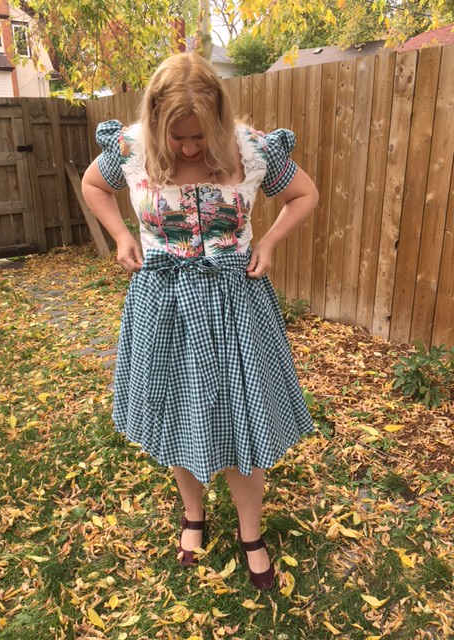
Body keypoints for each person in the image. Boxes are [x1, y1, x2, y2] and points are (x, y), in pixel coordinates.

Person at [82, 52, 319, 591]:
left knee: (245, 422)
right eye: (178, 136)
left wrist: (269, 242)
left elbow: (305, 195)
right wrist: (120, 235)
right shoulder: (130, 148)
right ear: (155, 120)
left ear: (219, 116)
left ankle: (250, 532)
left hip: (236, 306)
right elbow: (94, 186)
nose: (190, 148)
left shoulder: (253, 148)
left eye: (199, 136)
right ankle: (193, 515)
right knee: (176, 415)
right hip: (163, 306)